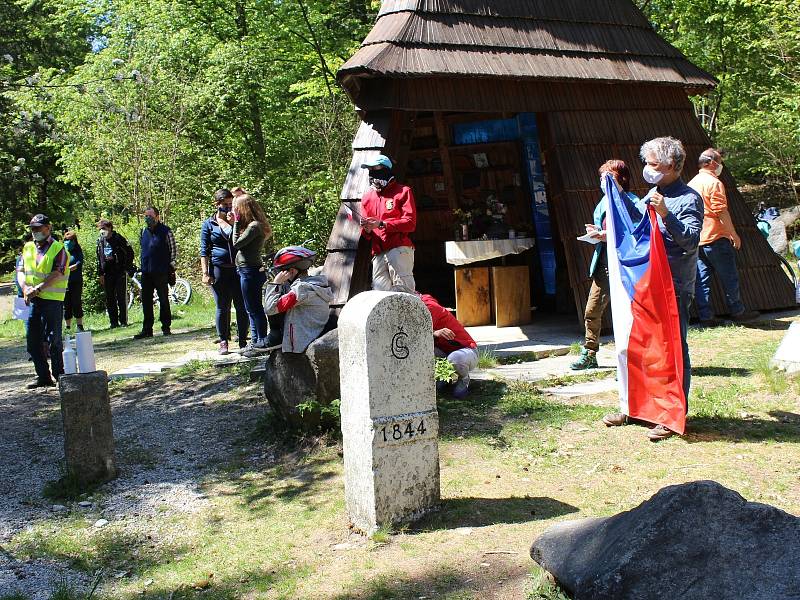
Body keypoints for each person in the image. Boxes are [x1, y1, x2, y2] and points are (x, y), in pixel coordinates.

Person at [603, 137, 703, 441]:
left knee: (672, 348)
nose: (647, 169)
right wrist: (617, 199)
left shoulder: (688, 198)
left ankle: (671, 415)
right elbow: (638, 230)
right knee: (640, 345)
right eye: (646, 163)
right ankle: (637, 406)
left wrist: (666, 215)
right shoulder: (652, 193)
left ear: (671, 166)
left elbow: (690, 241)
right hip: (644, 285)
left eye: (653, 164)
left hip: (673, 286)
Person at [571, 160, 641, 370]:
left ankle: (633, 360)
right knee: (592, 310)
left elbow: (636, 232)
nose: (603, 182)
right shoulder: (603, 202)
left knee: (630, 314)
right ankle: (589, 353)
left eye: (608, 177)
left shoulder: (633, 201)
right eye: (601, 178)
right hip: (603, 266)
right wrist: (596, 232)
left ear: (622, 178)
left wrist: (606, 235)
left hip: (626, 267)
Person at [689, 148, 759, 326]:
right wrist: (733, 233)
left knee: (701, 280)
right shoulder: (714, 182)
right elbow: (721, 211)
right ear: (711, 163)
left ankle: (706, 317)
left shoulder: (692, 183)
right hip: (716, 235)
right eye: (719, 161)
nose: (721, 165)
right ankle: (737, 311)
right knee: (729, 276)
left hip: (698, 238)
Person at [18, 214, 69, 388]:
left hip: (52, 301)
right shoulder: (28, 248)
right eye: (33, 228)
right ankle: (43, 376)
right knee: (33, 342)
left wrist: (38, 288)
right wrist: (25, 288)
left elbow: (58, 273)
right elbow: (20, 270)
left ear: (48, 228)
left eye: (39, 228)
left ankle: (59, 375)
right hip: (32, 301)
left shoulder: (58, 248)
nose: (35, 232)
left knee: (54, 340)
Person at [200, 189, 249, 355]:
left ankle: (243, 340)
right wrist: (205, 273)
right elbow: (204, 251)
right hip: (219, 269)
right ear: (217, 204)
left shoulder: (238, 220)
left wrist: (234, 223)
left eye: (230, 204)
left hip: (238, 269)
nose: (228, 207)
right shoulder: (209, 224)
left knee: (241, 306)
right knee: (222, 306)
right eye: (225, 205)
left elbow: (244, 239)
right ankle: (223, 341)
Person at [360, 154, 417, 292]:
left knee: (404, 293)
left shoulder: (403, 191)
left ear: (386, 169)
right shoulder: (367, 198)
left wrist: (382, 224)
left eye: (376, 169)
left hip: (399, 248)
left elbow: (410, 223)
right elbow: (366, 235)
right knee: (380, 297)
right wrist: (366, 228)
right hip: (378, 253)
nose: (372, 173)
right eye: (370, 170)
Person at [264, 246, 333, 354]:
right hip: (311, 335)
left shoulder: (301, 291)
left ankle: (275, 337)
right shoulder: (311, 285)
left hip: (302, 343)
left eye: (282, 271)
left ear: (291, 271)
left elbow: (270, 308)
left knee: (276, 294)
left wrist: (276, 283)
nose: (279, 274)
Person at [232, 193, 272, 351]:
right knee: (251, 308)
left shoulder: (254, 226)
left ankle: (260, 341)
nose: (236, 212)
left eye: (237, 209)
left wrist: (235, 222)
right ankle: (255, 342)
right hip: (247, 270)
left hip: (250, 271)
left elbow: (236, 243)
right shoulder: (253, 225)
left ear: (244, 209)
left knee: (254, 308)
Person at [419, 293, 478, 398]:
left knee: (455, 358)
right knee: (421, 350)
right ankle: (445, 377)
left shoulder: (429, 308)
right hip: (444, 353)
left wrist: (434, 333)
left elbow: (419, 334)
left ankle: (464, 379)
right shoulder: (419, 307)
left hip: (466, 351)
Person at [134, 207, 176, 339]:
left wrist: (171, 266)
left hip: (161, 271)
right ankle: (147, 329)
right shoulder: (143, 231)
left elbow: (173, 250)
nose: (148, 218)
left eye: (150, 216)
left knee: (163, 300)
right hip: (146, 272)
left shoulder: (166, 231)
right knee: (146, 301)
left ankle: (166, 327)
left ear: (157, 217)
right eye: (146, 215)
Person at [96, 219, 135, 329]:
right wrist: (101, 273)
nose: (102, 231)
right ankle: (113, 322)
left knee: (121, 297)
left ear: (110, 228)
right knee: (110, 298)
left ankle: (123, 321)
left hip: (119, 272)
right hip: (107, 273)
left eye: (104, 228)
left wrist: (125, 266)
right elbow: (99, 258)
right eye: (100, 229)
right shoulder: (100, 241)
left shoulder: (119, 239)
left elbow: (130, 253)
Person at [62, 231, 85, 333]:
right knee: (66, 305)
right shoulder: (62, 252)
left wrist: (71, 268)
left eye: (70, 240)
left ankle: (80, 325)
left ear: (74, 241)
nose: (67, 242)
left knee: (76, 302)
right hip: (64, 282)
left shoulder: (77, 251)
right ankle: (68, 327)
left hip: (76, 281)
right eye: (66, 240)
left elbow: (79, 263)